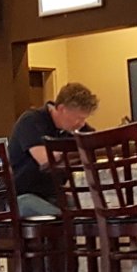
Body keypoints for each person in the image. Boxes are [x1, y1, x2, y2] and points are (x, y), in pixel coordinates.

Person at [7, 82, 98, 216]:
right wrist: (78, 154)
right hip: (19, 196)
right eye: (79, 118)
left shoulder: (75, 128)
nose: (81, 123)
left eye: (84, 119)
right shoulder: (31, 121)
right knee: (66, 217)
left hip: (52, 195)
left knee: (93, 211)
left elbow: (96, 145)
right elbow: (46, 160)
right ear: (61, 109)